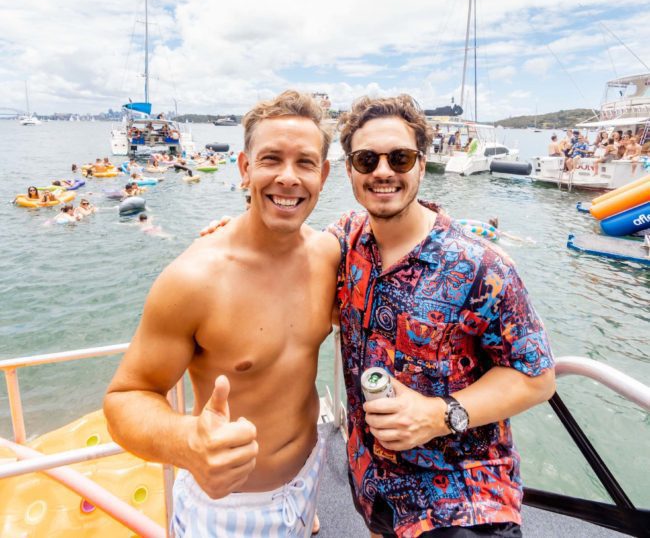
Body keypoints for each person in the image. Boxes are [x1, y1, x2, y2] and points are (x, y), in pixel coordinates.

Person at [104, 91, 337, 537]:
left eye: (305, 163)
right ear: (246, 168)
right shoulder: (194, 280)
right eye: (271, 159)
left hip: (310, 475)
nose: (288, 178)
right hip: (227, 509)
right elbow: (124, 399)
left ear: (323, 175)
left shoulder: (330, 254)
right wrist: (188, 442)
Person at [329, 95, 554, 537]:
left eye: (400, 157)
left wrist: (437, 415)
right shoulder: (347, 240)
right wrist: (232, 235)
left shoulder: (482, 266)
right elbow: (283, 248)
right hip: (375, 489)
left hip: (462, 504)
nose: (383, 171)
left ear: (421, 163)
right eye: (366, 159)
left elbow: (537, 378)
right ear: (349, 169)